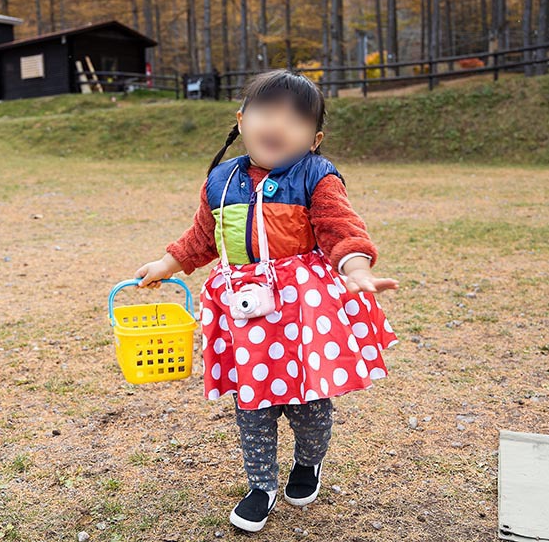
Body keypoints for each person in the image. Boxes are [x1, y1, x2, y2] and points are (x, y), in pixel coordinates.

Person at [135, 70, 398, 532]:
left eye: (295, 118)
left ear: (314, 139)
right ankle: (261, 486)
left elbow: (342, 229)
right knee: (251, 403)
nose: (279, 124)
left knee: (309, 404)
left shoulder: (317, 176)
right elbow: (202, 237)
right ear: (241, 120)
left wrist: (357, 268)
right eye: (266, 111)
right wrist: (166, 264)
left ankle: (307, 463)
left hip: (301, 313)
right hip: (243, 311)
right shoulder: (222, 179)